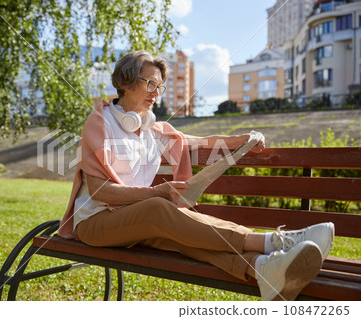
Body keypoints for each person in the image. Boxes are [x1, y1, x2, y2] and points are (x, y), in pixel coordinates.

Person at [58, 50, 334, 301]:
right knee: (157, 207)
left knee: (183, 239)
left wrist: (240, 139)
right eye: (149, 84)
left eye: (160, 86)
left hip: (133, 221)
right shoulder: (100, 123)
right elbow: (100, 192)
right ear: (127, 82)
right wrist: (157, 192)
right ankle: (273, 242)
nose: (156, 92)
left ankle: (262, 269)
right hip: (95, 223)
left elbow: (195, 141)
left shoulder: (152, 129)